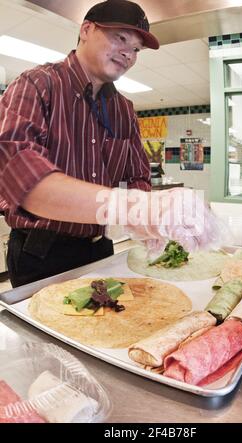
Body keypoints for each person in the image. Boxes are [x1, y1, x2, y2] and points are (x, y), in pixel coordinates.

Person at [0, 0, 219, 288]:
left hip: (99, 246)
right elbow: (20, 177)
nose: (129, 53)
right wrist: (132, 206)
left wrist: (150, 225)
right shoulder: (36, 85)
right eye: (121, 38)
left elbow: (137, 175)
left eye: (136, 48)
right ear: (87, 29)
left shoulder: (124, 109)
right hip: (41, 251)